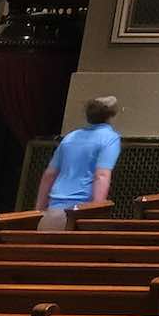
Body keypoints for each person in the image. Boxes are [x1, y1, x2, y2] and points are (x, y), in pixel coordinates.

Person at [37, 96, 121, 228]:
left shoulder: (70, 137)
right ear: (111, 116)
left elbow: (50, 174)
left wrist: (39, 211)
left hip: (53, 211)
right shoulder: (110, 138)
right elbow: (101, 175)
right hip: (81, 213)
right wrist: (97, 213)